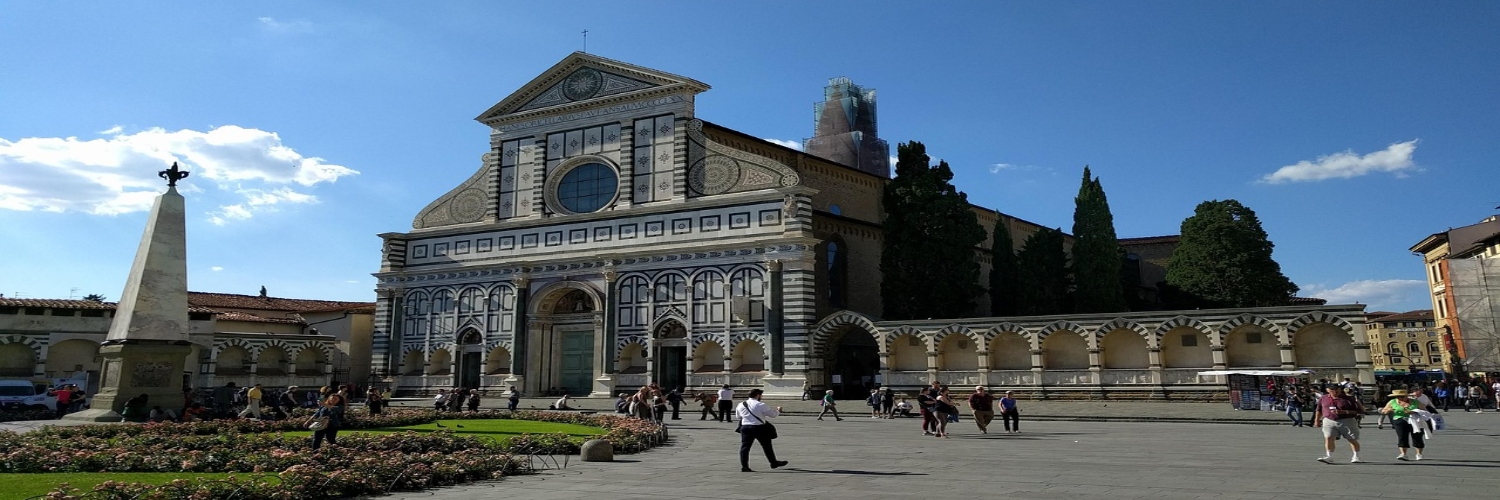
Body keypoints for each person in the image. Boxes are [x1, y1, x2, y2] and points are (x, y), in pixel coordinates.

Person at [735, 388, 788, 472]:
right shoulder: (761, 404)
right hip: (759, 427)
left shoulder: (741, 404)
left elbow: (738, 417)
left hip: (745, 427)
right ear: (758, 395)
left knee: (745, 447)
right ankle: (773, 462)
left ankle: (745, 466)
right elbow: (773, 415)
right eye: (761, 395)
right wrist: (778, 410)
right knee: (767, 446)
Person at [1313, 384, 1364, 463]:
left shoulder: (1349, 399)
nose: (1335, 392)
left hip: (1347, 420)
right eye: (1332, 391)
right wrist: (1317, 420)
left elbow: (1359, 411)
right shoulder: (1323, 398)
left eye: (1337, 390)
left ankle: (1356, 456)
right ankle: (1329, 456)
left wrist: (1344, 412)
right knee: (1328, 437)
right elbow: (1318, 409)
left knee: (1351, 439)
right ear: (1328, 390)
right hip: (1329, 420)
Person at [1379, 389, 1426, 461]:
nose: (1400, 398)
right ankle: (1403, 454)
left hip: (1415, 420)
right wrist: (1388, 410)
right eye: (1398, 397)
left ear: (1406, 396)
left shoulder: (1415, 402)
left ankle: (1419, 454)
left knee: (1417, 437)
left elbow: (1424, 410)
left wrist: (1414, 411)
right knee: (1402, 436)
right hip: (1399, 420)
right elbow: (1384, 411)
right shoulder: (1392, 402)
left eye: (1402, 396)